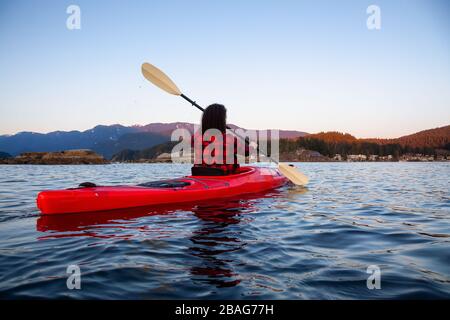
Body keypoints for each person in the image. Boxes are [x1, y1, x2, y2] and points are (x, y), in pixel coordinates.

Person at [192, 104, 251, 176]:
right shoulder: (230, 140)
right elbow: (247, 152)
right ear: (222, 121)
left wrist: (207, 121)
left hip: (202, 178)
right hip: (226, 180)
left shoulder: (196, 138)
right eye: (225, 119)